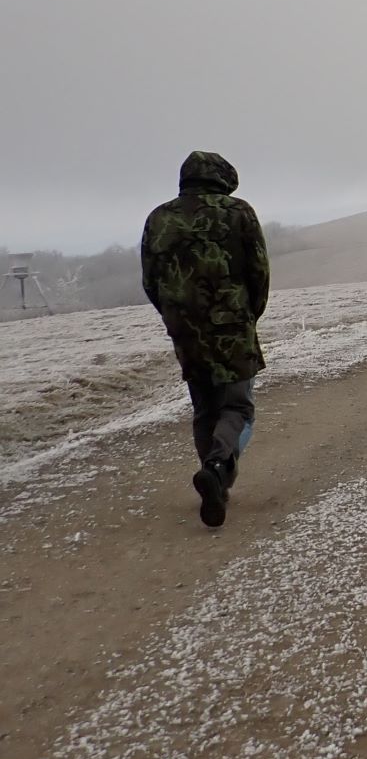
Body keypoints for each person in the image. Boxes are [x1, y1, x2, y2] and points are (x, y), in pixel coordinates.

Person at [140, 151, 270, 528]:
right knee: (238, 407)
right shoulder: (239, 212)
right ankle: (216, 469)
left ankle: (213, 480)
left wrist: (174, 315)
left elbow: (150, 278)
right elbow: (258, 270)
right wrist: (249, 313)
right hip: (231, 322)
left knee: (204, 406)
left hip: (185, 325)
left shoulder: (159, 217)